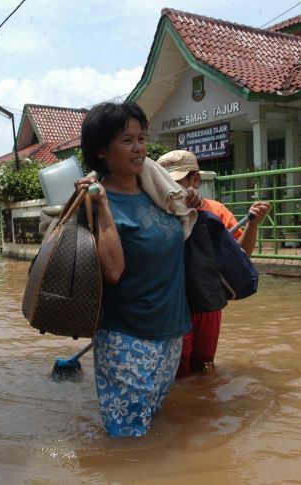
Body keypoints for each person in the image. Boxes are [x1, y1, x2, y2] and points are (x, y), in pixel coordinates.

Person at [76, 101, 200, 438]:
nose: (139, 149)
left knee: (151, 427)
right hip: (126, 336)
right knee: (128, 439)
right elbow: (113, 271)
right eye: (126, 141)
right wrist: (101, 207)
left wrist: (191, 204)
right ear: (101, 150)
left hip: (170, 331)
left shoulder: (159, 193)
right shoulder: (94, 201)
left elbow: (180, 241)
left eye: (141, 138)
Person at [157, 149, 270, 377]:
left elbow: (241, 253)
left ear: (195, 180)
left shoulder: (214, 211)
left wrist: (253, 224)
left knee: (204, 365)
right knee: (175, 366)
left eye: (178, 181)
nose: (172, 188)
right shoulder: (156, 212)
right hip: (172, 301)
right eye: (166, 182)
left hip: (207, 299)